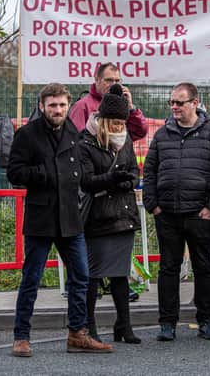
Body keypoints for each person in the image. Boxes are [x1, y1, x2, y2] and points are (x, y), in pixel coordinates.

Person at [8, 83, 113, 356]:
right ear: (42, 106)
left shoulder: (73, 133)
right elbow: (15, 173)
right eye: (52, 105)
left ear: (68, 106)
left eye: (62, 105)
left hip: (70, 216)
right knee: (31, 279)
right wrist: (45, 173)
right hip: (41, 217)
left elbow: (80, 172)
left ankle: (78, 333)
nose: (58, 110)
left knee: (81, 276)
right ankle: (21, 336)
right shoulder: (27, 135)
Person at [143, 82, 210, 342]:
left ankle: (206, 320)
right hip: (167, 214)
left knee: (203, 268)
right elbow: (150, 171)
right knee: (168, 269)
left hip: (199, 214)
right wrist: (153, 204)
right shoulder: (162, 135)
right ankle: (167, 323)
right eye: (172, 102)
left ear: (195, 102)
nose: (174, 107)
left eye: (179, 102)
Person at [79, 86, 142, 344]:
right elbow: (86, 180)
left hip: (123, 214)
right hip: (98, 216)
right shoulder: (86, 142)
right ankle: (89, 326)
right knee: (93, 275)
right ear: (103, 121)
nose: (119, 128)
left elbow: (134, 170)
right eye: (115, 123)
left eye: (122, 123)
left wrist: (129, 181)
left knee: (120, 273)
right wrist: (111, 179)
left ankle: (123, 325)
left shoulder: (125, 139)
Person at [69, 62, 148, 141]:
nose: (113, 84)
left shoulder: (123, 105)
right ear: (97, 80)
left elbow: (140, 132)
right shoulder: (82, 106)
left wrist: (131, 108)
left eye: (117, 81)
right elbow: (75, 139)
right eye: (109, 80)